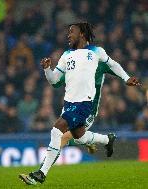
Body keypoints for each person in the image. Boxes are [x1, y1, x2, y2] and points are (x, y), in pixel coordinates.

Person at [19, 22, 141, 185]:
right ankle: (107, 139)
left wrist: (126, 78)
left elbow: (112, 64)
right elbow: (55, 82)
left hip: (85, 103)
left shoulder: (96, 52)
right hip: (69, 103)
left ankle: (41, 173)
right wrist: (47, 69)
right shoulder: (65, 55)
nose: (68, 35)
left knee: (57, 130)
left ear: (82, 34)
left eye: (72, 32)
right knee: (79, 136)